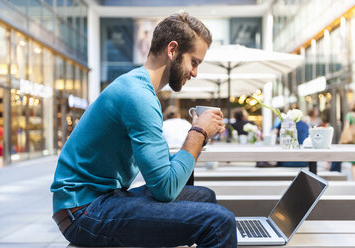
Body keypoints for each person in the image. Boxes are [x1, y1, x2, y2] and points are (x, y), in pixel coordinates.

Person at [50, 13, 236, 248]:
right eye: (194, 61)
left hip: (102, 200)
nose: (195, 72)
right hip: (83, 212)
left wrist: (201, 136)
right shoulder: (138, 96)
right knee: (220, 222)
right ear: (172, 50)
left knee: (204, 196)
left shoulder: (138, 88)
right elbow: (165, 189)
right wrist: (197, 132)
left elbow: (160, 170)